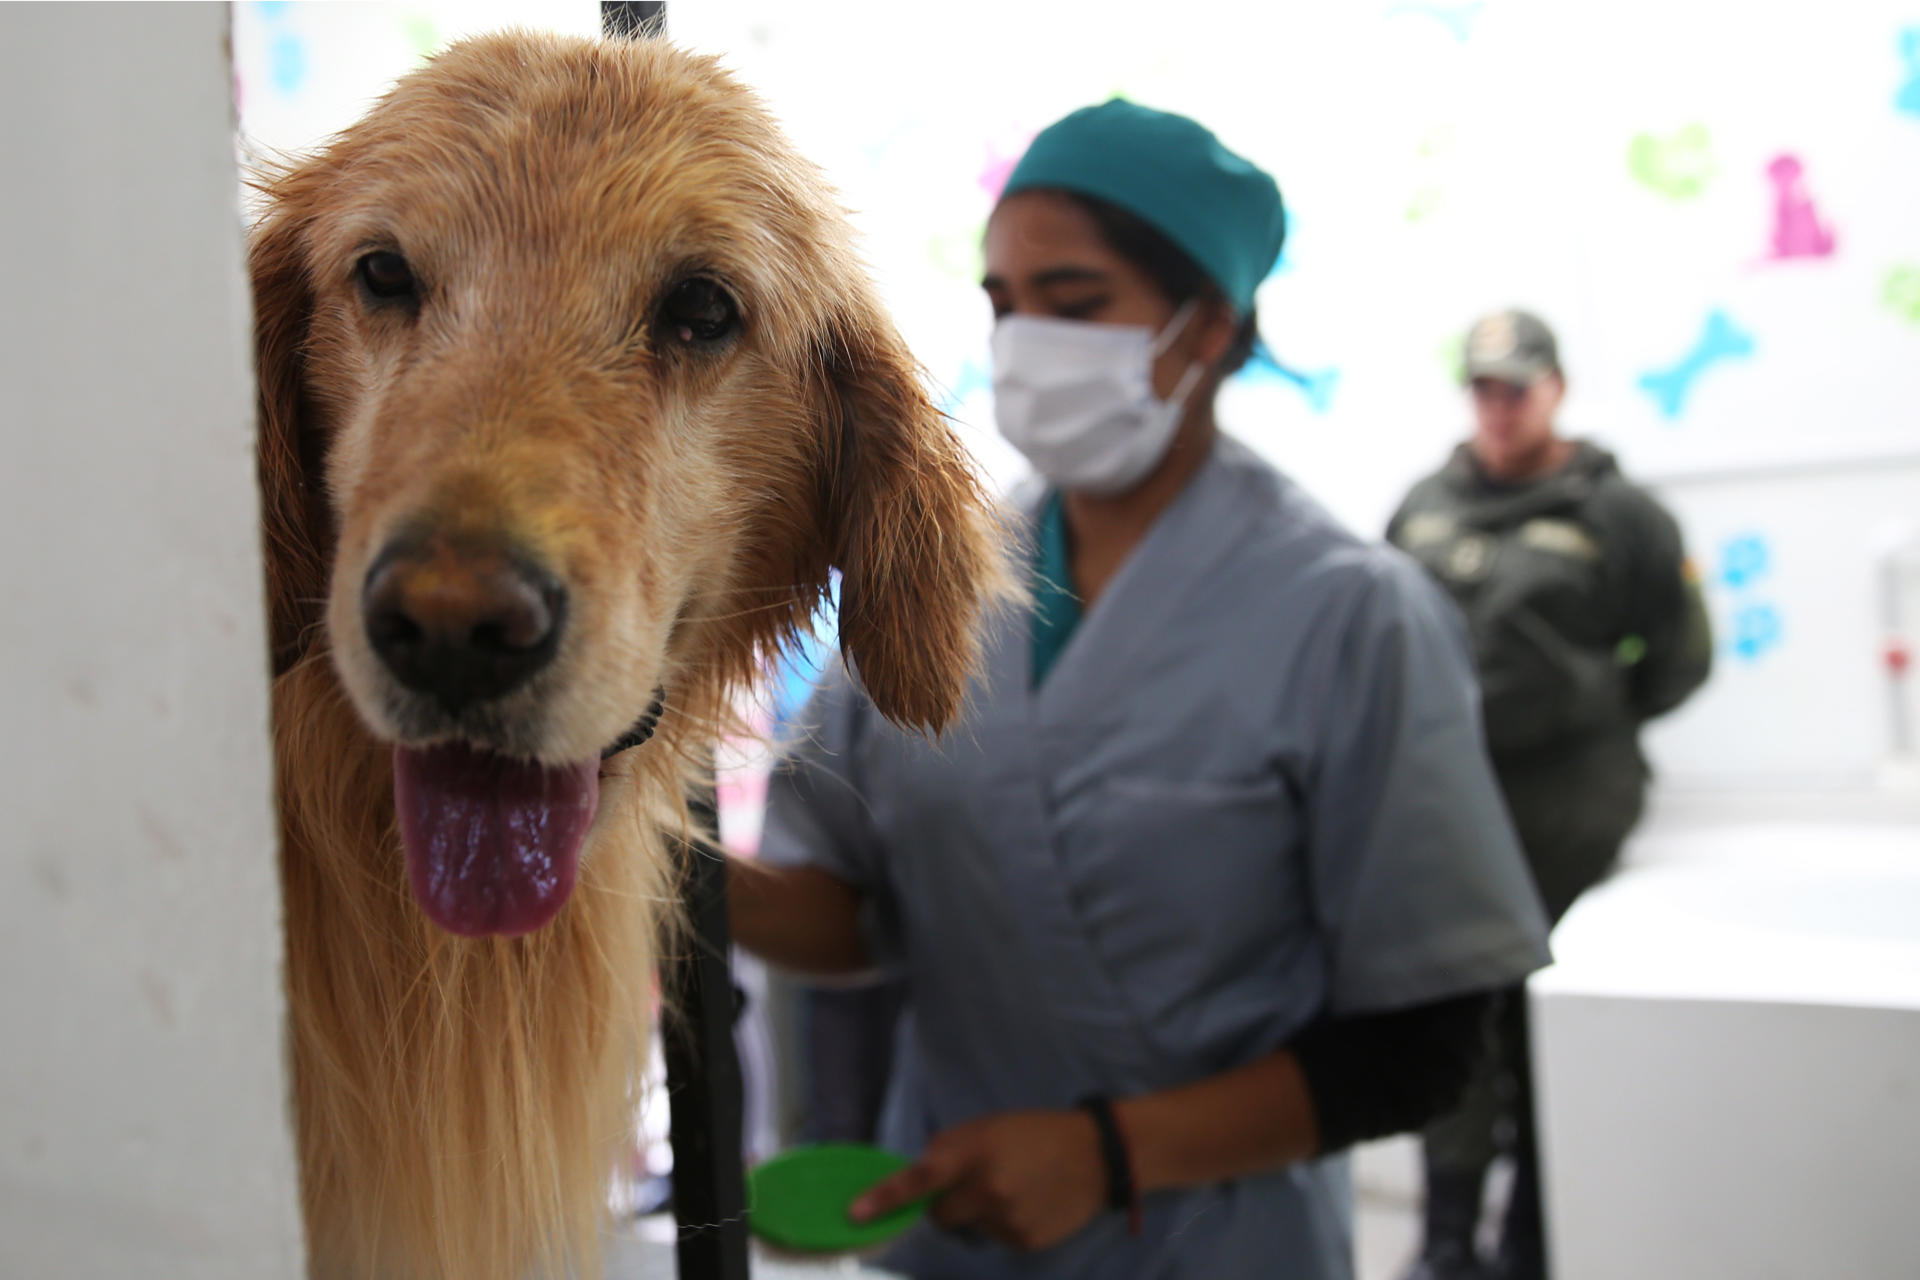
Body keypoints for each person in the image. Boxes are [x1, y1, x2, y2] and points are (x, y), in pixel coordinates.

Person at [727, 100, 1552, 1280]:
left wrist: (1107, 1153)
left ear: (1204, 326)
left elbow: (1426, 1037)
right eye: (1004, 305)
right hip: (943, 1224)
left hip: (1211, 1242)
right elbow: (853, 908)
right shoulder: (938, 583)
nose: (1025, 344)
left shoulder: (1349, 614)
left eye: (1074, 302)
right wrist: (673, 869)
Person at [1387, 309, 1715, 1280]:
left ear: (1555, 388)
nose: (1497, 407)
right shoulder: (1423, 507)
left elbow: (1679, 658)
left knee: (1547, 1033)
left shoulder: (1619, 514)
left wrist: (1589, 715)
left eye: (1514, 388)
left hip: (1568, 810)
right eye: (1481, 388)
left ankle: (1537, 1237)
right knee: (1449, 1017)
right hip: (1451, 803)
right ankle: (1446, 1243)